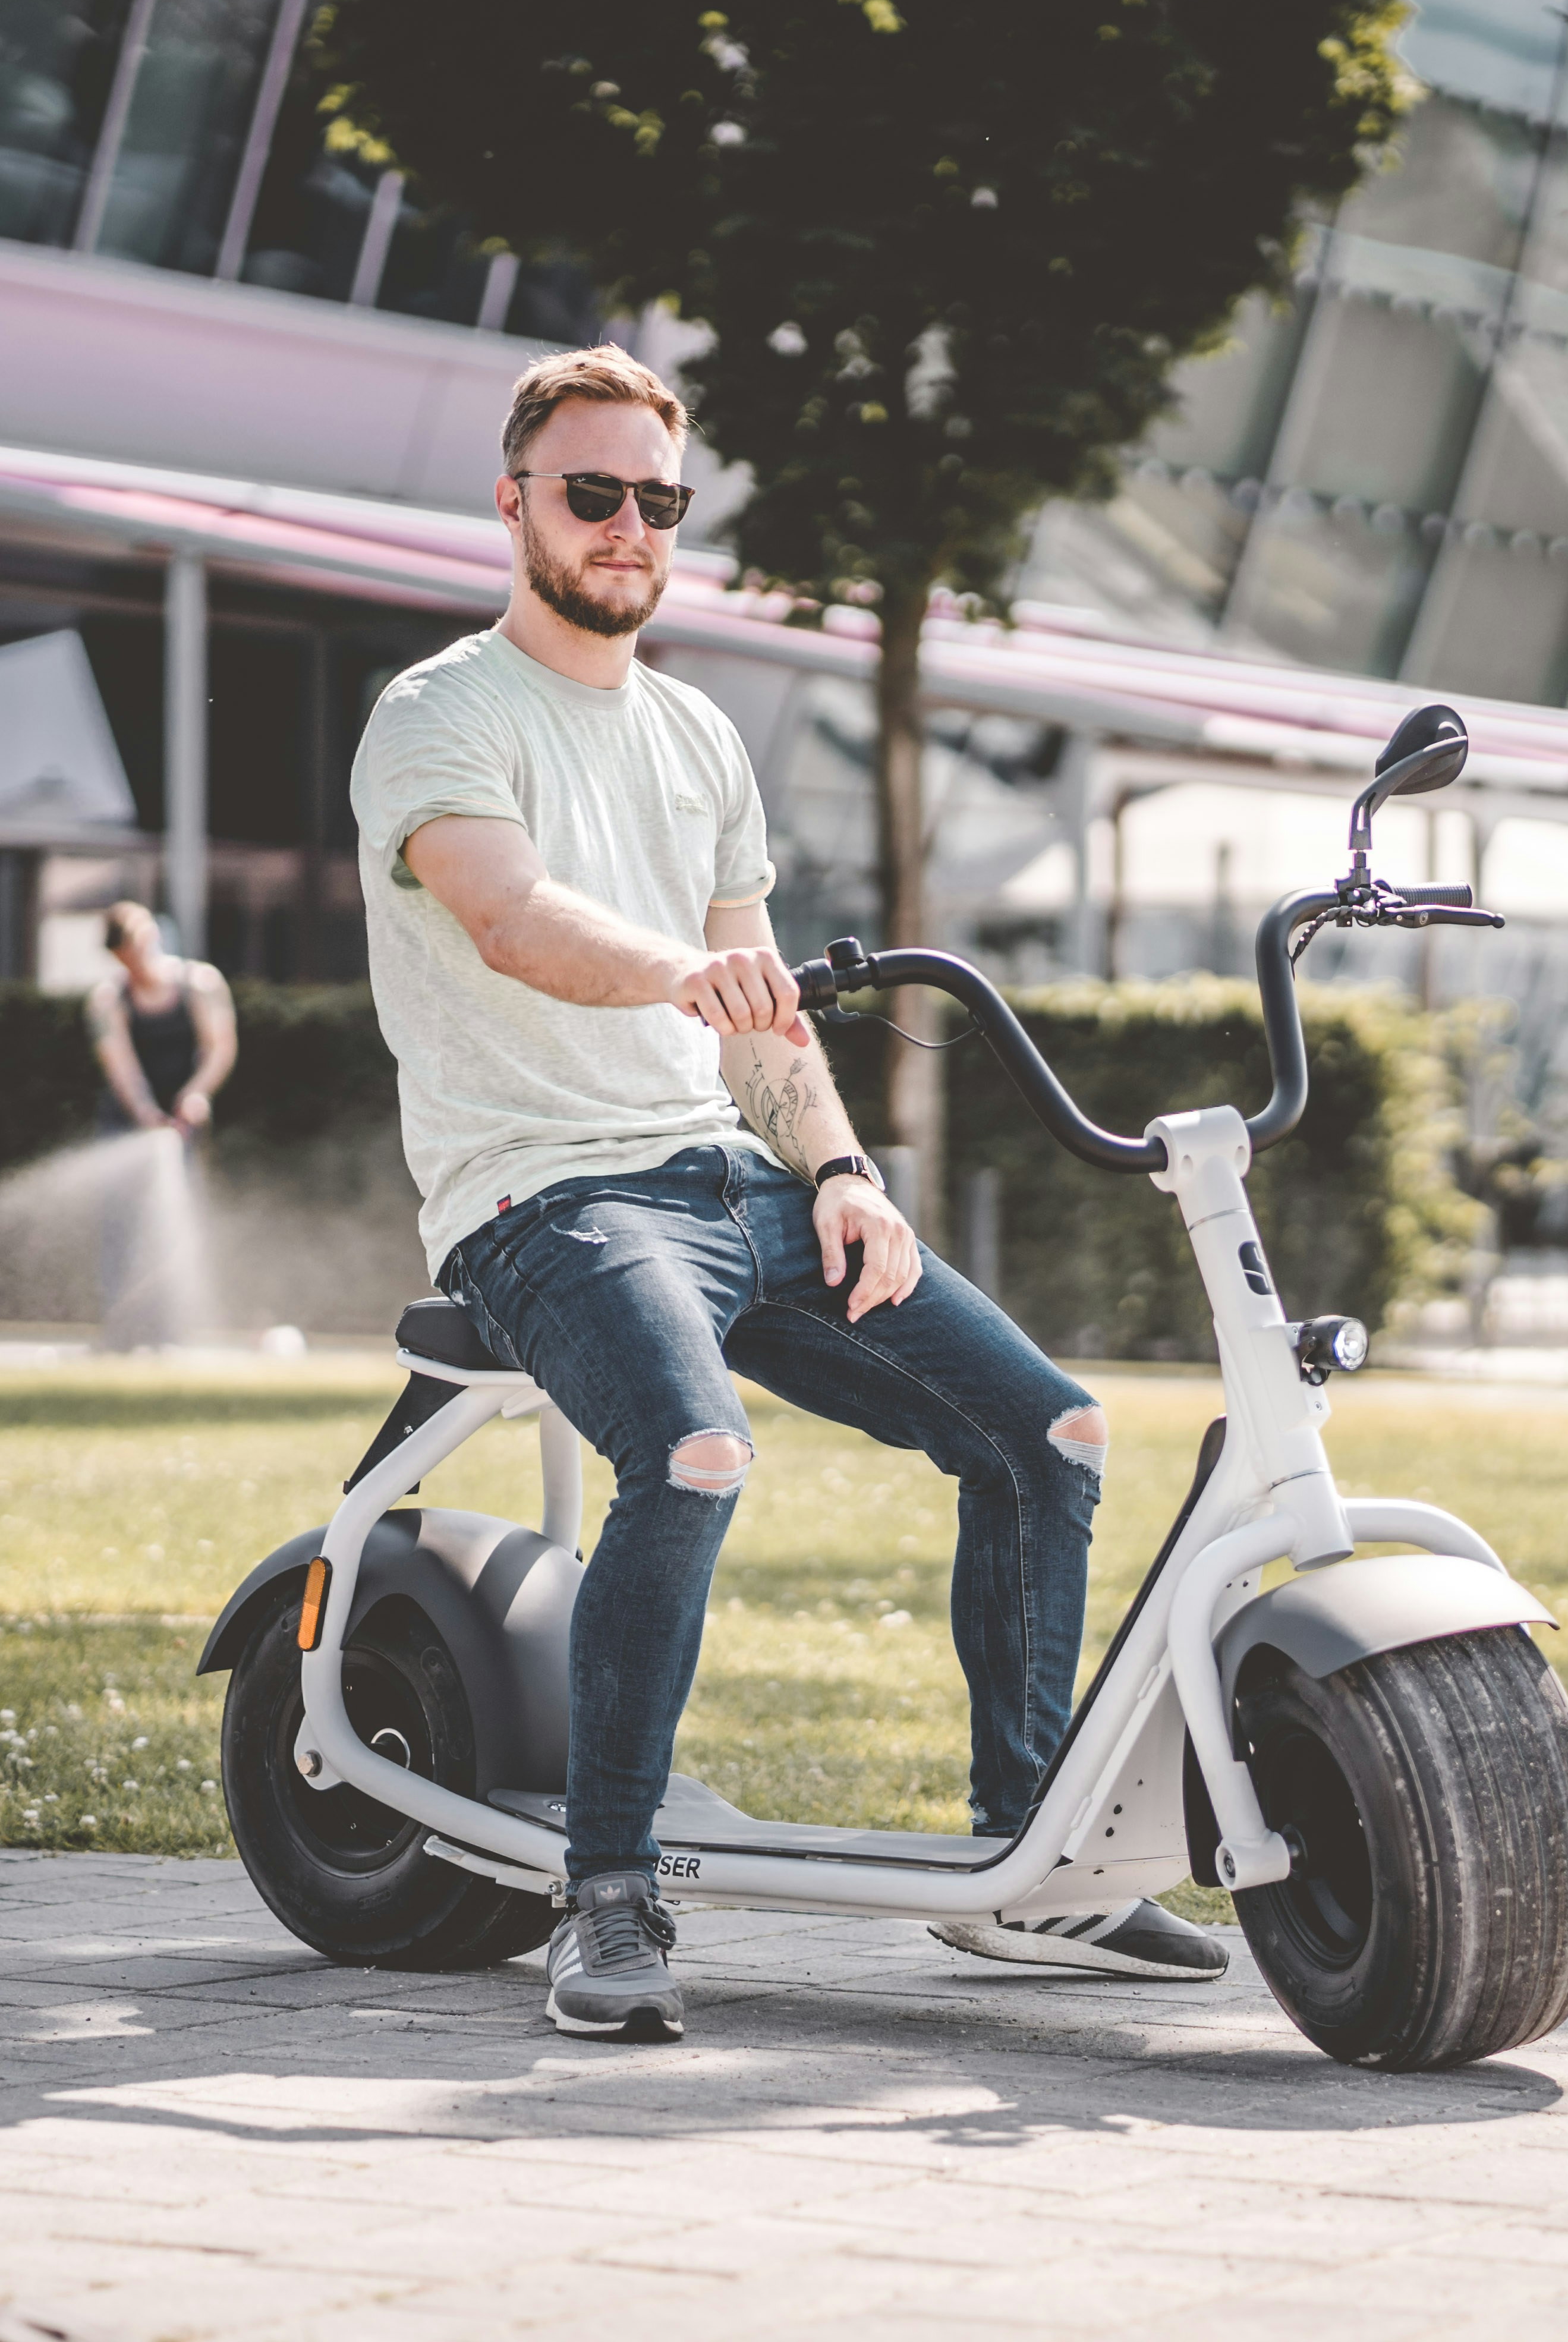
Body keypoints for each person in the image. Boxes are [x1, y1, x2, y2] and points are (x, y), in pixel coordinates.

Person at [355, 347, 1223, 2044]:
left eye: (657, 502)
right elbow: (512, 918)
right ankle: (605, 1894)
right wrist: (689, 973)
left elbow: (760, 1001)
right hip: (546, 1199)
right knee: (693, 1455)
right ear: (517, 501)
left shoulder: (694, 732)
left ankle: (1028, 1859)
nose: (627, 528)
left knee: (1050, 1437)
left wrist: (837, 1169)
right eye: (592, 493)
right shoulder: (442, 713)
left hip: (732, 1183)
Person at [87, 901, 237, 1349]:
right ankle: (121, 1334)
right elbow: (122, 1069)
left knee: (177, 1224)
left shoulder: (200, 984)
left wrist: (195, 1095)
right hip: (128, 1123)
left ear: (153, 939)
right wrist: (146, 1113)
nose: (137, 962)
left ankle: (172, 1332)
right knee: (121, 1228)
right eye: (126, 956)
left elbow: (220, 1048)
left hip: (185, 1122)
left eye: (141, 948)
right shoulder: (107, 999)